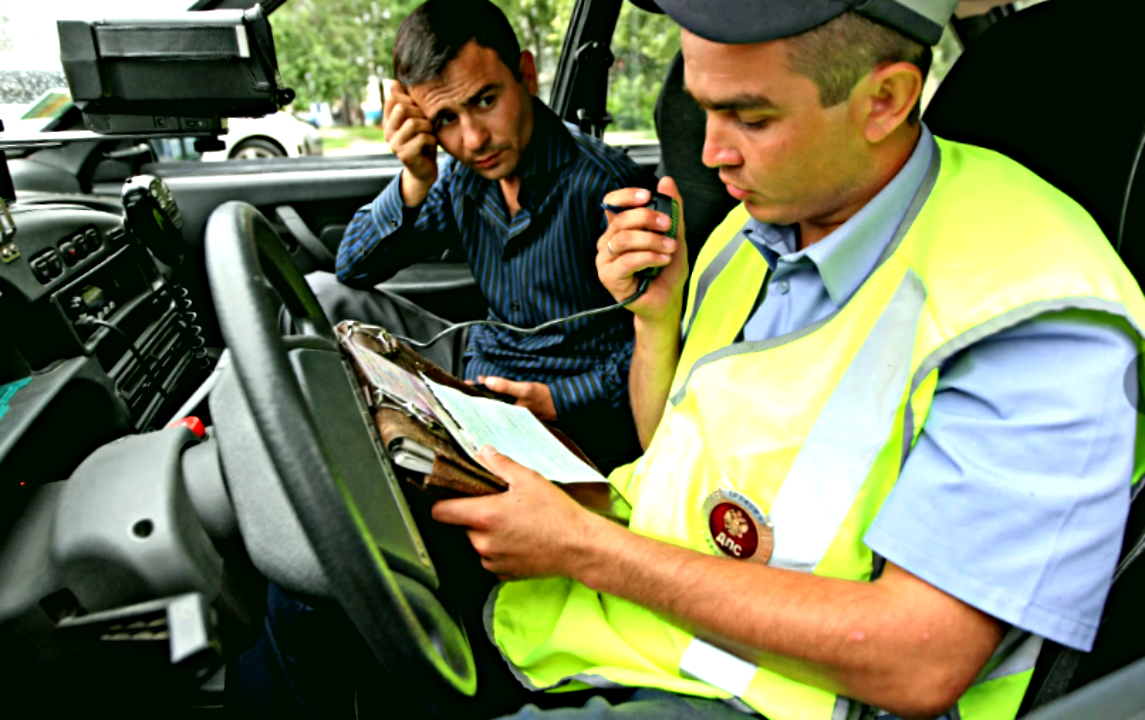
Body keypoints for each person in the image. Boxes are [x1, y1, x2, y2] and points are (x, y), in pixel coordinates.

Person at [429, 1, 1145, 719]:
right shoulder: (752, 229)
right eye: (701, 107)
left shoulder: (1037, 315)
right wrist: (654, 322)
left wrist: (581, 547)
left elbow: (918, 661)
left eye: (750, 117)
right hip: (618, 640)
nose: (711, 152)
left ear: (884, 101)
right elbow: (679, 452)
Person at [313, 0, 652, 472]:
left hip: (564, 414)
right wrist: (414, 179)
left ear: (527, 76)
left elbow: (661, 338)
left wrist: (559, 398)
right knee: (321, 294)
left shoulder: (608, 186)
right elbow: (353, 266)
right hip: (474, 371)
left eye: (485, 101)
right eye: (446, 119)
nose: (472, 140)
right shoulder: (459, 178)